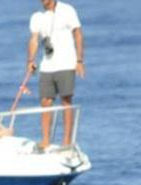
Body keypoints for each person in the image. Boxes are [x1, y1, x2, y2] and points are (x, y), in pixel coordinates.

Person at [27, 0, 84, 150]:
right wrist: (31, 60)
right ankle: (45, 140)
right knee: (45, 101)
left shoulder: (67, 10)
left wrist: (79, 60)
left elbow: (77, 34)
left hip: (66, 63)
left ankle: (66, 141)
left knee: (66, 100)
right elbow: (34, 39)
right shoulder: (37, 17)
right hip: (47, 65)